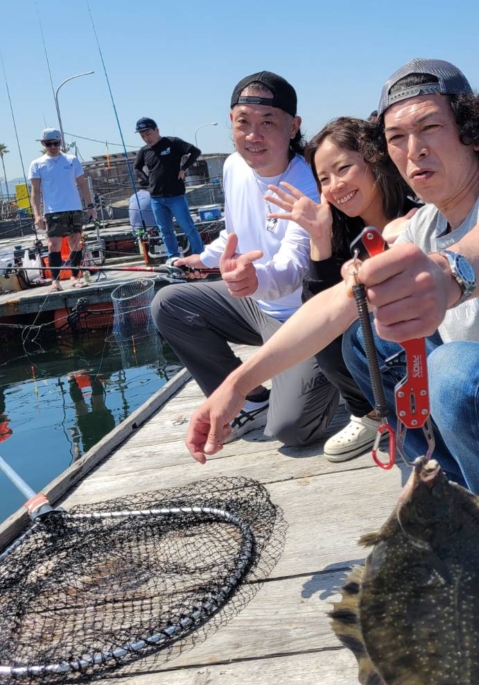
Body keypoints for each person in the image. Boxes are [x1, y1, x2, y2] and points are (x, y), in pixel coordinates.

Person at [185, 59, 479, 601]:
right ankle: (445, 497)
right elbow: (332, 308)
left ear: (473, 132)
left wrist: (448, 274)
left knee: (456, 370)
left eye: (430, 128)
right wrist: (238, 382)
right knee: (367, 335)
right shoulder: (423, 225)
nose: (413, 150)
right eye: (397, 137)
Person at [151, 71, 339, 447]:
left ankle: (333, 376)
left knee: (292, 429)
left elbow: (295, 267)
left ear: (293, 127)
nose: (253, 136)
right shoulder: (234, 166)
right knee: (169, 304)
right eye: (243, 123)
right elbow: (234, 235)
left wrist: (255, 280)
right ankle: (252, 401)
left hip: (303, 318)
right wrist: (202, 259)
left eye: (267, 122)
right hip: (254, 305)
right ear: (231, 123)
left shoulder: (308, 183)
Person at [266, 116, 417, 462]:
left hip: (419, 356)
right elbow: (318, 319)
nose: (335, 185)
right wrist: (319, 239)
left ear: (375, 159)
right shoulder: (339, 233)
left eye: (344, 168)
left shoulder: (418, 219)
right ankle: (368, 412)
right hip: (366, 366)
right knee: (332, 326)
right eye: (324, 179)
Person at [29, 128, 97, 291]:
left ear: (60, 142)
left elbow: (82, 184)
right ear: (43, 144)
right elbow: (35, 192)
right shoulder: (37, 164)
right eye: (49, 144)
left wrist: (90, 206)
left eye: (56, 143)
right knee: (53, 245)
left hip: (74, 208)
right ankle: (55, 281)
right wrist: (37, 215)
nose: (53, 146)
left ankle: (75, 277)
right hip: (52, 210)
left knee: (75, 243)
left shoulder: (72, 160)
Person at [133, 119, 204, 258]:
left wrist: (183, 168)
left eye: (148, 134)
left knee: (187, 227)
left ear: (157, 130)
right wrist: (147, 181)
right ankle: (173, 257)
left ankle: (199, 255)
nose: (146, 138)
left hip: (176, 195)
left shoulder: (172, 142)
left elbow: (195, 152)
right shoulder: (144, 151)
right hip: (156, 198)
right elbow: (137, 168)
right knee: (165, 230)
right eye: (143, 136)